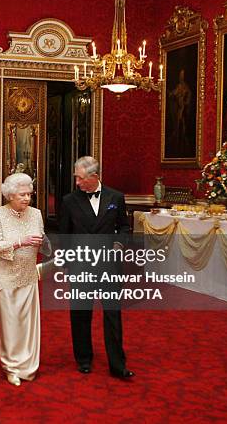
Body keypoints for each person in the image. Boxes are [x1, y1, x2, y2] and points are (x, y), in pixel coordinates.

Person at [59, 156, 134, 380]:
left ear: (94, 176)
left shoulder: (116, 197)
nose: (78, 183)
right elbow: (64, 236)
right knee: (81, 314)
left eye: (81, 179)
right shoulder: (69, 201)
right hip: (81, 265)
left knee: (113, 315)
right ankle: (83, 359)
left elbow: (124, 227)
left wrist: (120, 244)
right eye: (76, 178)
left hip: (109, 265)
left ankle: (118, 365)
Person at [0, 173, 43, 386]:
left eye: (29, 194)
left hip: (28, 274)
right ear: (10, 195)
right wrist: (20, 242)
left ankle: (28, 366)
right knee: (11, 324)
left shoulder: (36, 214)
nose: (27, 198)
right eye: (22, 194)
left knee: (28, 324)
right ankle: (11, 367)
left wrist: (46, 244)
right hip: (4, 276)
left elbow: (40, 239)